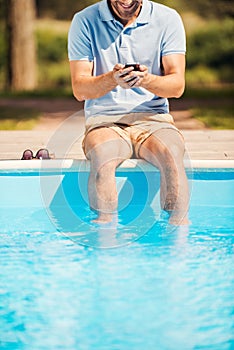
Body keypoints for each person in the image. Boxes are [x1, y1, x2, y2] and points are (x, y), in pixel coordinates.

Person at [68, 0, 189, 225]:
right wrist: (112, 79)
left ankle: (178, 231)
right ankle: (105, 232)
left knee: (172, 152)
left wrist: (147, 80)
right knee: (103, 156)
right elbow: (80, 88)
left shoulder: (168, 18)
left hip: (154, 119)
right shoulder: (84, 20)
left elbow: (177, 85)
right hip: (105, 122)